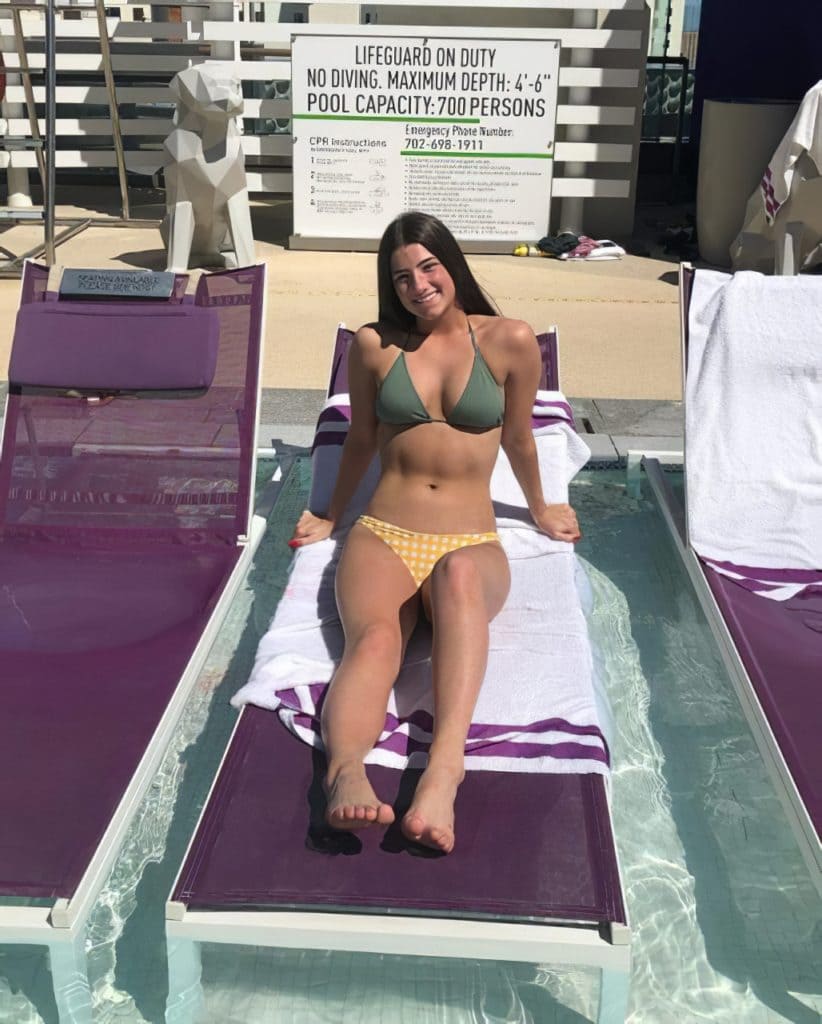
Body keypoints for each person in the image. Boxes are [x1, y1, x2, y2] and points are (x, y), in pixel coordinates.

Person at [290, 211, 581, 853]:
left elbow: (520, 438)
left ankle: (443, 772)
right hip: (385, 532)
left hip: (468, 539)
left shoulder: (509, 339)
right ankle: (344, 774)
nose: (418, 286)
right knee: (373, 642)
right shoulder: (375, 346)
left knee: (459, 576)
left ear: (452, 264)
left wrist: (541, 508)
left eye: (428, 267)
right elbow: (361, 440)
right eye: (402, 277)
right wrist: (330, 514)